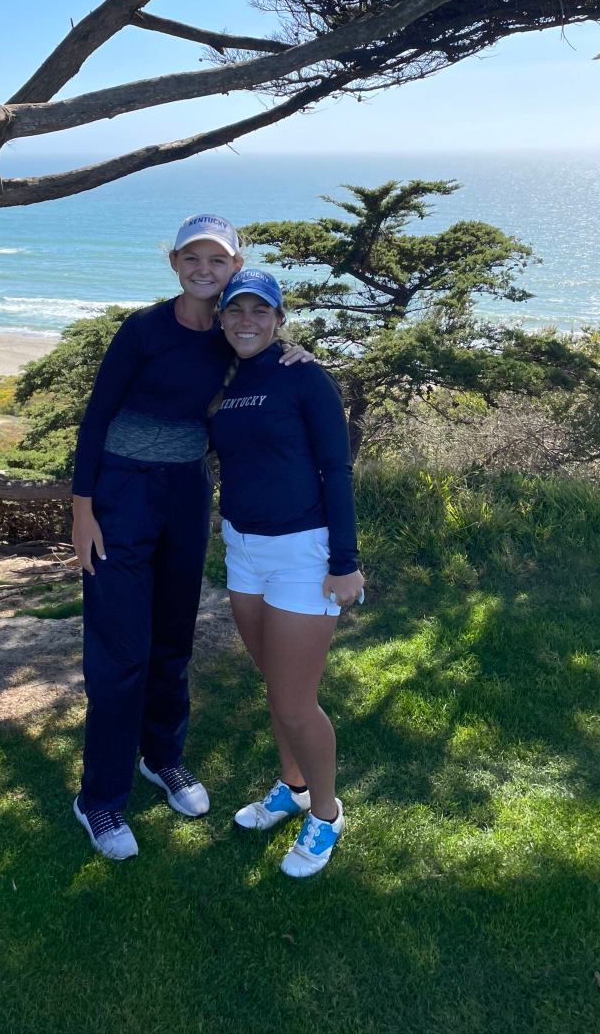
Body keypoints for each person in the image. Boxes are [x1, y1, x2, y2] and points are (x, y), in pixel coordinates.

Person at [71, 215, 314, 860]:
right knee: (121, 652)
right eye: (192, 259)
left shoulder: (233, 333)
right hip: (121, 494)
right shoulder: (143, 330)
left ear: (236, 267)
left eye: (218, 260)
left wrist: (298, 353)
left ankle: (162, 757)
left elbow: (267, 361)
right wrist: (82, 510)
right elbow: (96, 416)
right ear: (174, 263)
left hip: (184, 494)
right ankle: (99, 797)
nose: (204, 270)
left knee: (174, 639)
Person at [209, 267, 365, 878]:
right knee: (276, 687)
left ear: (278, 319)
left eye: (260, 310)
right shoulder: (225, 377)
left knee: (297, 703)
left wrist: (345, 562)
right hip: (242, 549)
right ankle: (293, 787)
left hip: (303, 552)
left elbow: (337, 470)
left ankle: (326, 815)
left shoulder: (305, 376)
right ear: (222, 318)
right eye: (235, 309)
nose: (246, 320)